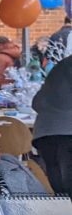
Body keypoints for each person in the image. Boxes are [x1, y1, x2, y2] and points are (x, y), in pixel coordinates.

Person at [33, 55, 72, 195]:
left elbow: (36, 103)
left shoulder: (61, 66)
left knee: (60, 189)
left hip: (46, 133)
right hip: (67, 134)